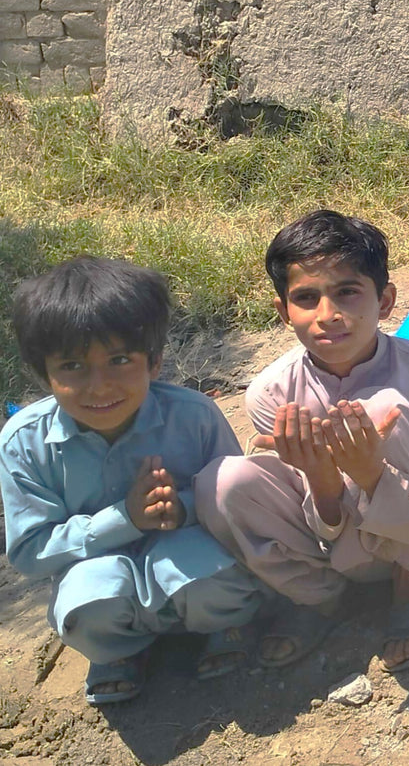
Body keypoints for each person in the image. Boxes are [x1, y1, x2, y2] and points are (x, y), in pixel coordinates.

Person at [195, 211, 409, 672]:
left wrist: (371, 472)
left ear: (385, 301)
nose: (327, 315)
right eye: (305, 298)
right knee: (221, 481)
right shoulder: (272, 394)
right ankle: (318, 596)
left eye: (347, 292)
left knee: (381, 410)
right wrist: (322, 479)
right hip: (334, 549)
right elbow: (317, 521)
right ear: (283, 312)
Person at [0, 257, 266, 706]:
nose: (99, 386)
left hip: (186, 559)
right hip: (98, 576)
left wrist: (182, 507)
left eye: (120, 360)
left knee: (209, 576)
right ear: (43, 373)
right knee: (90, 599)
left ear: (155, 361)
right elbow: (30, 552)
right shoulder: (24, 442)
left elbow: (236, 505)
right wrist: (124, 518)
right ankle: (121, 652)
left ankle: (224, 624)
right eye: (72, 366)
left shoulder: (195, 416)